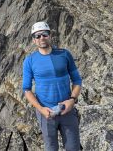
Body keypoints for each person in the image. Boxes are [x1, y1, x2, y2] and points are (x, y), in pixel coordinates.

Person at [22, 21, 82, 151]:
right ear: (34, 40)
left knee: (73, 148)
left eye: (44, 34)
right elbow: (26, 89)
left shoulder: (64, 54)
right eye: (37, 36)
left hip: (67, 110)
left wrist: (72, 100)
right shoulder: (29, 61)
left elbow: (77, 80)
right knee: (51, 148)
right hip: (46, 113)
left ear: (50, 35)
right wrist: (41, 109)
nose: (41, 38)